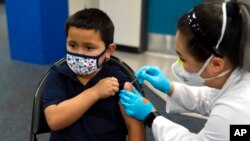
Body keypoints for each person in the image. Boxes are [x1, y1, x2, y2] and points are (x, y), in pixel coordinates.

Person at [119, 0, 250, 140]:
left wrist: (151, 117)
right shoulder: (237, 75)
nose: (178, 64)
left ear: (216, 65)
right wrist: (169, 87)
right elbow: (208, 98)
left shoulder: (235, 113)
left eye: (183, 59)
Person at [42, 8, 145, 141]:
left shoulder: (119, 82)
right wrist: (95, 92)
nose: (79, 53)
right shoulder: (58, 75)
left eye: (89, 47)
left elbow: (135, 128)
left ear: (109, 50)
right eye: (72, 45)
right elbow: (54, 120)